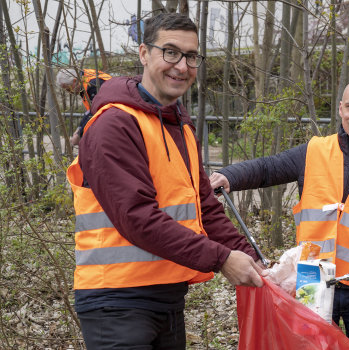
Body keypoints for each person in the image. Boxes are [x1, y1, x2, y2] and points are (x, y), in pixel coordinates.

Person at [66, 13, 266, 349]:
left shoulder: (180, 127)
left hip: (167, 296)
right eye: (170, 52)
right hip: (116, 302)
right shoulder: (114, 124)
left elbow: (205, 208)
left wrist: (253, 259)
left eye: (191, 56)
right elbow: (137, 218)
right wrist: (222, 259)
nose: (181, 66)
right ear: (144, 53)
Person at [209, 78, 349, 349]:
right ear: (340, 109)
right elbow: (268, 168)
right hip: (314, 281)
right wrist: (229, 176)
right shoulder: (314, 151)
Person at [56, 68, 112, 146]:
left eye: (68, 89)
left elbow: (95, 112)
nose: (69, 92)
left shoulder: (93, 85)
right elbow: (90, 110)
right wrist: (79, 129)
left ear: (75, 81)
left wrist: (80, 134)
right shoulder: (85, 80)